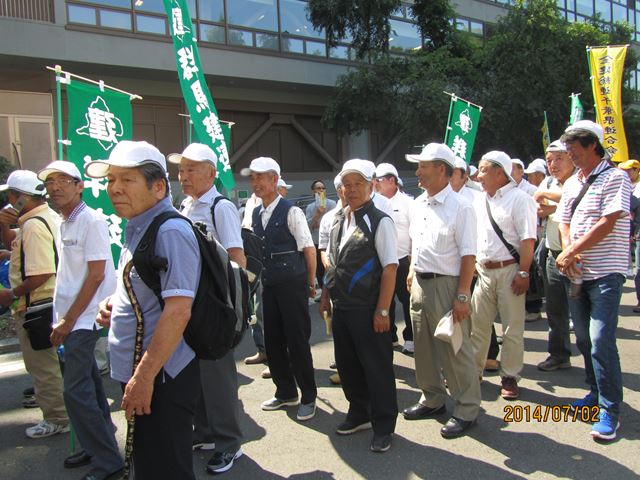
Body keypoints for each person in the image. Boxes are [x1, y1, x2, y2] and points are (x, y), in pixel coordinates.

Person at [89, 140, 201, 479]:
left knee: (166, 468)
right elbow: (144, 289)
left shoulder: (170, 230)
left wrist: (143, 377)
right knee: (150, 464)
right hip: (145, 374)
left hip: (161, 377)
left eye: (127, 180)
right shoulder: (138, 225)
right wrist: (117, 303)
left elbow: (179, 311)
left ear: (158, 186)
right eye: (110, 180)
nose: (115, 189)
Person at [36, 161, 123, 478]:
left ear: (79, 186)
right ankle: (97, 445)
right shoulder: (65, 222)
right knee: (90, 389)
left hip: (83, 320)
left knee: (76, 392)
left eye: (62, 181)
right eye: (50, 183)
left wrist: (68, 320)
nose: (55, 187)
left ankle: (108, 460)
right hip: (72, 319)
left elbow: (97, 275)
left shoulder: (90, 220)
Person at [167, 143, 245, 474]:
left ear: (211, 173)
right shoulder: (184, 205)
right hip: (188, 303)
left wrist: (225, 306)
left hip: (212, 307)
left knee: (218, 379)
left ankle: (230, 444)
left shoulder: (220, 206)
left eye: (191, 169)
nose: (183, 176)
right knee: (195, 374)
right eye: (181, 169)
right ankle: (207, 433)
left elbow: (236, 259)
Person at [556, 120, 631, 441]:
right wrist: (569, 252)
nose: (569, 152)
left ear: (591, 145)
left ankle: (610, 409)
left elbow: (608, 222)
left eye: (573, 146)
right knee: (584, 340)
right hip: (577, 273)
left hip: (605, 274)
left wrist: (571, 250)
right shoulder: (573, 182)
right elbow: (563, 220)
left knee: (601, 339)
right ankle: (594, 392)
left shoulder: (616, 178)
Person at [402, 143, 480, 438]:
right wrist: (411, 270)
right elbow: (416, 243)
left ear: (442, 170)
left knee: (455, 349)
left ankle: (467, 409)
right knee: (423, 347)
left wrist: (462, 294)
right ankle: (432, 399)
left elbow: (469, 255)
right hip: (420, 283)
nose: (418, 172)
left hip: (448, 286)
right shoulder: (418, 203)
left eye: (423, 166)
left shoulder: (461, 207)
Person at [320, 159, 398, 453]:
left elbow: (390, 269)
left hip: (369, 309)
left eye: (358, 184)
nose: (351, 190)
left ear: (371, 186)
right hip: (343, 307)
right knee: (348, 365)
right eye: (346, 185)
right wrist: (327, 296)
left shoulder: (380, 220)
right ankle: (359, 412)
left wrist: (383, 310)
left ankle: (384, 425)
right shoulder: (339, 219)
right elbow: (334, 263)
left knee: (377, 369)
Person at [242, 157, 318, 421]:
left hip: (293, 284)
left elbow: (308, 249)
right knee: (273, 342)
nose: (255, 183)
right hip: (269, 285)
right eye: (252, 178)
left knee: (297, 342)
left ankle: (309, 396)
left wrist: (311, 282)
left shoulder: (291, 211)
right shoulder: (253, 211)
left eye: (260, 177)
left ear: (274, 179)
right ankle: (285, 391)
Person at [0, 170, 69, 438]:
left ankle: (57, 418)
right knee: (49, 363)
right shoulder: (44, 217)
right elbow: (16, 243)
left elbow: (42, 271)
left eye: (10, 196)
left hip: (36, 304)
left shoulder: (33, 225)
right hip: (50, 302)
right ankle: (61, 411)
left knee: (43, 367)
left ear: (19, 198)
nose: (7, 201)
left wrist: (11, 293)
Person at [470, 151, 537, 399]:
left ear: (500, 173)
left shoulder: (520, 199)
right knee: (478, 326)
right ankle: (473, 372)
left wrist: (523, 272)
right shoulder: (479, 200)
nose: (478, 175)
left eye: (483, 170)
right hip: (483, 272)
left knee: (511, 328)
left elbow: (528, 240)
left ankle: (509, 376)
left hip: (510, 270)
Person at [533, 140, 575, 372]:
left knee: (581, 312)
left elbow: (573, 200)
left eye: (558, 158)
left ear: (572, 157)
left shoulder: (581, 181)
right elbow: (539, 207)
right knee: (555, 309)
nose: (553, 164)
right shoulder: (550, 181)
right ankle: (559, 354)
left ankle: (594, 364)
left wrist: (551, 201)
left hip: (578, 255)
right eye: (549, 160)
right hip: (552, 252)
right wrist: (555, 204)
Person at [374, 163, 414, 353]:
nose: (376, 184)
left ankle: (411, 337)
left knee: (407, 301)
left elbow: (415, 233)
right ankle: (389, 337)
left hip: (402, 260)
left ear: (392, 181)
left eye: (379, 180)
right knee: (385, 300)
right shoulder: (374, 202)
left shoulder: (408, 203)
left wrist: (412, 260)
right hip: (381, 261)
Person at [306, 179, 336, 290]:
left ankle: (331, 293)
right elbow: (308, 226)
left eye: (323, 188)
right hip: (316, 242)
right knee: (319, 270)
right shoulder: (310, 207)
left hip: (330, 242)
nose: (321, 190)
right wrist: (318, 214)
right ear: (313, 191)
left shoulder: (332, 204)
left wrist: (320, 226)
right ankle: (323, 292)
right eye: (318, 188)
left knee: (330, 268)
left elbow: (334, 223)